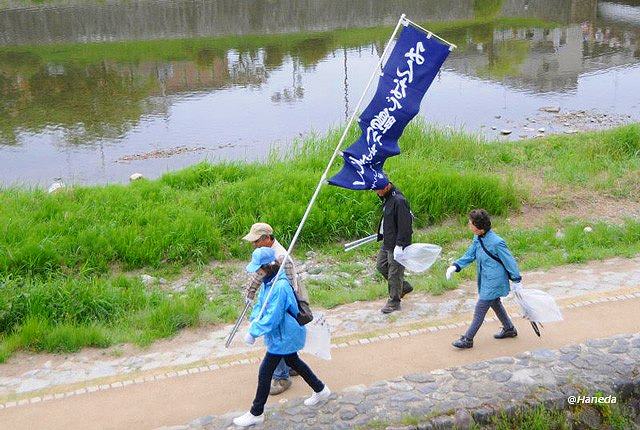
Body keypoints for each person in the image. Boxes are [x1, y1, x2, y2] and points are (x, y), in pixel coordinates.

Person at [233, 247, 331, 427]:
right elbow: (261, 305)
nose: (256, 272)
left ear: (266, 267)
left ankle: (256, 412)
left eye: (258, 268)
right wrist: (254, 319)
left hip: (285, 335)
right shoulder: (268, 283)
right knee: (294, 362)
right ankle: (321, 389)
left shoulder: (280, 286)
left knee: (265, 371)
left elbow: (273, 316)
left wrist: (254, 332)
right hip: (280, 334)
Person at [242, 222, 307, 395]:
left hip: (283, 305)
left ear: (266, 238)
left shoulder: (280, 257)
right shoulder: (266, 254)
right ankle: (292, 365)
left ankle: (281, 377)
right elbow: (259, 275)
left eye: (256, 241)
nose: (253, 244)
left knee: (278, 339)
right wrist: (250, 293)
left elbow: (290, 287)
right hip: (277, 302)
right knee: (283, 341)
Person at [445, 209, 522, 349]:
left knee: (481, 308)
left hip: (495, 280)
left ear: (479, 226)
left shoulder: (497, 242)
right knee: (495, 303)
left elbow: (510, 261)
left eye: (471, 223)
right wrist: (455, 266)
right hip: (486, 278)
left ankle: (468, 339)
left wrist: (517, 280)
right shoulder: (478, 238)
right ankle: (509, 329)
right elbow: (470, 255)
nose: (469, 225)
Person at [375, 181, 414, 314]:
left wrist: (400, 245)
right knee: (381, 265)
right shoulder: (387, 197)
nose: (376, 192)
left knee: (394, 273)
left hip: (397, 244)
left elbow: (405, 226)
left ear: (387, 186)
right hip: (387, 241)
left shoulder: (399, 201)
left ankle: (394, 302)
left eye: (378, 190)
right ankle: (403, 286)